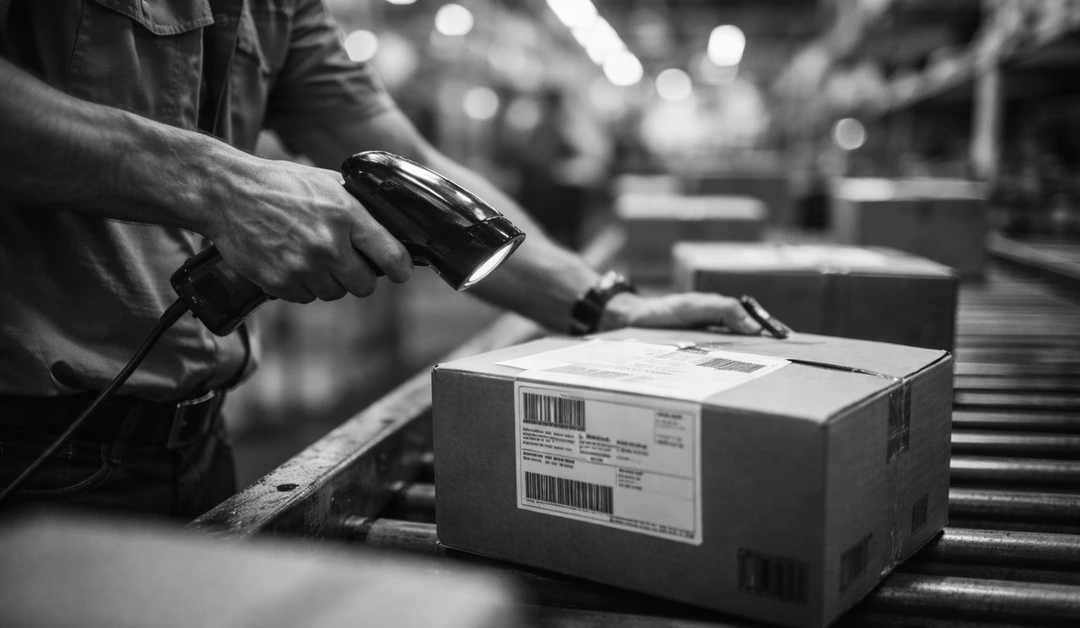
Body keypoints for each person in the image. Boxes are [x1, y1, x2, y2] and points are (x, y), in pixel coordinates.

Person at [0, 0, 762, 518]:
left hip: (197, 442)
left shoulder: (283, 7)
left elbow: (412, 161)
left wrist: (603, 302)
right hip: (31, 445)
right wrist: (217, 183)